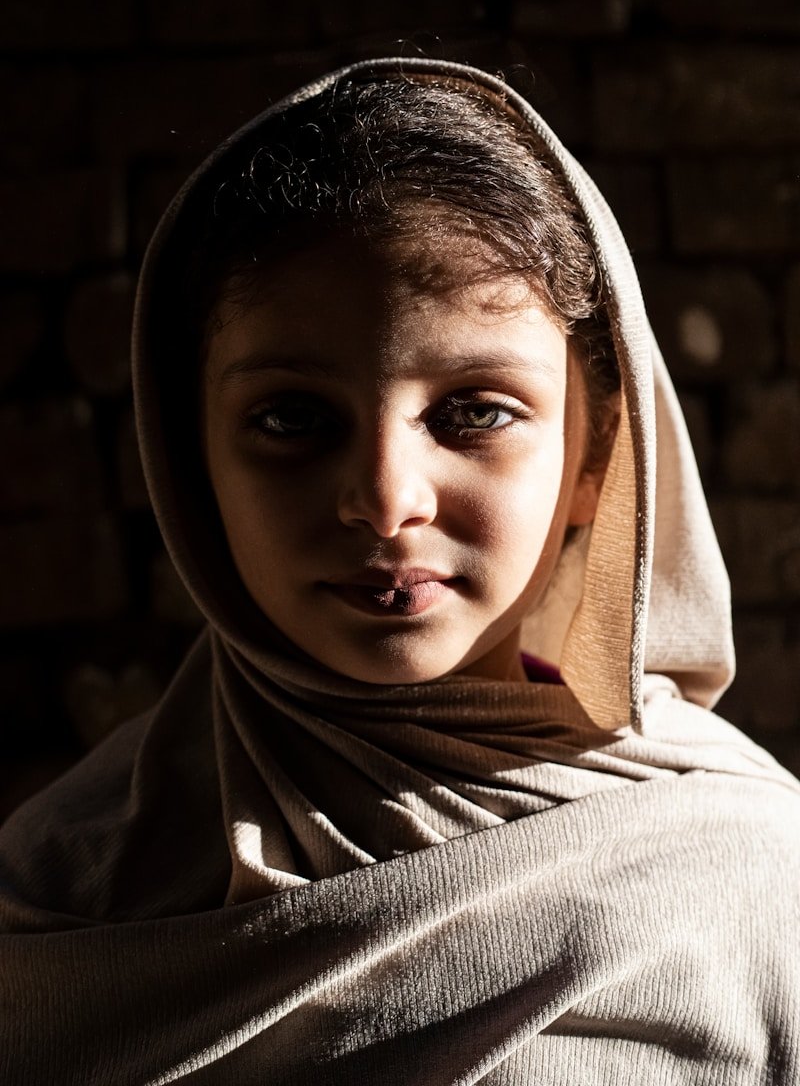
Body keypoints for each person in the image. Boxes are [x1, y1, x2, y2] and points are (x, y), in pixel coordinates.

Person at [2, 59, 799, 1085]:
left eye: (473, 413)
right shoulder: (65, 900)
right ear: (189, 457)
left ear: (599, 453)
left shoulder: (747, 875)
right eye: (291, 420)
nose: (383, 501)